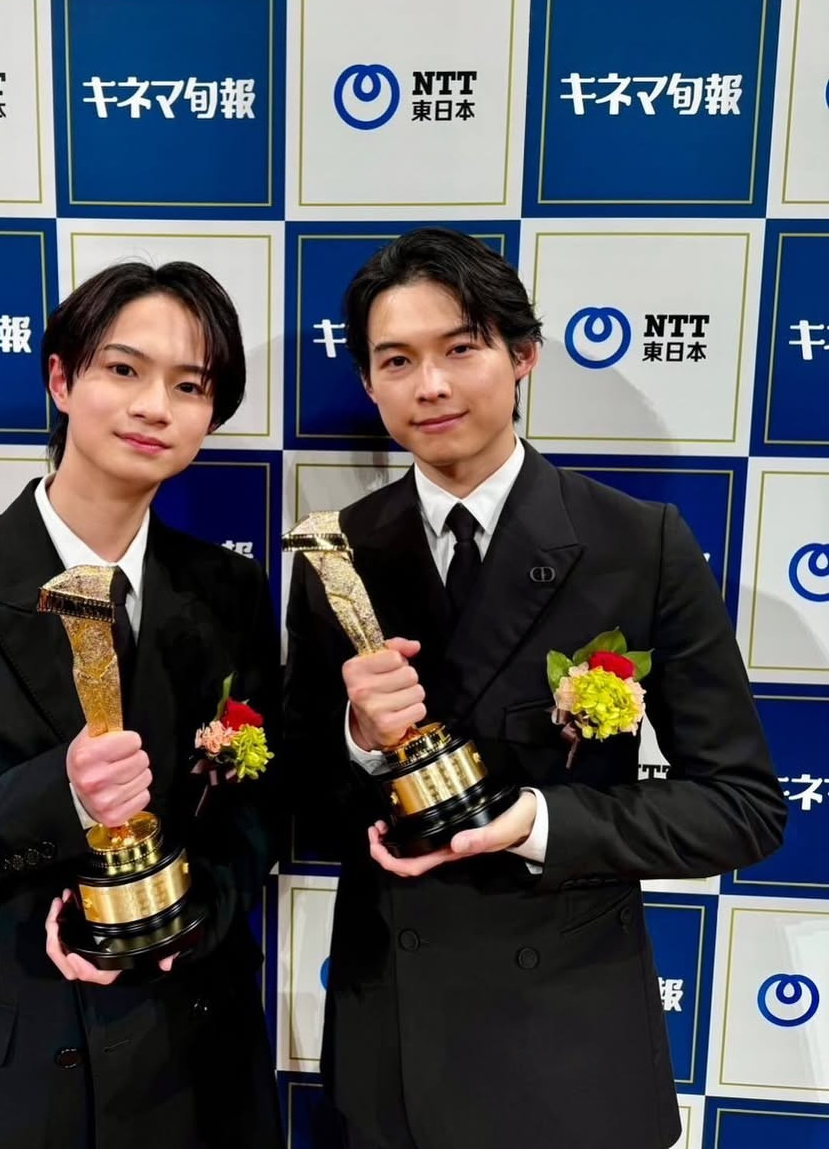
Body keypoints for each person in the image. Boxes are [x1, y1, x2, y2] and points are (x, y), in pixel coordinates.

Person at [283, 228, 785, 1149]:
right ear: (369, 384)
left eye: (460, 348)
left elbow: (741, 808)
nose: (430, 385)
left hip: (569, 1048)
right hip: (392, 1045)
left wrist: (538, 823)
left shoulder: (639, 544)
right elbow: (300, 807)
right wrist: (357, 738)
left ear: (523, 356)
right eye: (397, 361)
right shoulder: (335, 554)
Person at [0, 261, 284, 1149]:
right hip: (9, 1085)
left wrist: (188, 920)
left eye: (189, 386)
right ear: (62, 380)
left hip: (200, 1070)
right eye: (124, 369)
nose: (154, 406)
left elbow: (256, 817)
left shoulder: (230, 592)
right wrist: (54, 797)